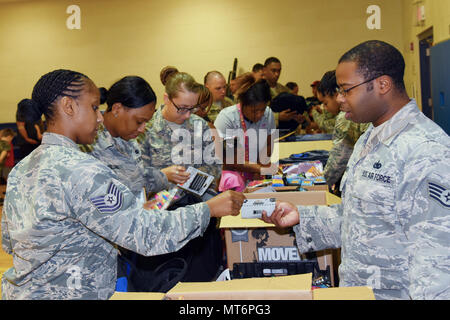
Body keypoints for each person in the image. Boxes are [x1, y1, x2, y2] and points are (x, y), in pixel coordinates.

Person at [1, 69, 245, 300]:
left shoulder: (22, 168)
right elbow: (145, 234)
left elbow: (8, 241)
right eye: (94, 107)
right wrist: (209, 209)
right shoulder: (82, 170)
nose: (99, 116)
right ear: (68, 106)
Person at [262, 40, 450, 300]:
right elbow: (362, 216)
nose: (339, 99)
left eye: (346, 90)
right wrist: (302, 217)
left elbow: (438, 264)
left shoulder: (425, 151)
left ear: (382, 85)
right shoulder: (370, 136)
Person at [79, 76, 189, 199]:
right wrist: (161, 176)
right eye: (139, 122)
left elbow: (136, 176)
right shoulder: (88, 143)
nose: (142, 129)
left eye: (146, 122)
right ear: (117, 109)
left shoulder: (128, 137)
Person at [214, 73, 277, 191]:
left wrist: (261, 168)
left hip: (256, 170)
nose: (259, 115)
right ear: (242, 104)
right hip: (231, 174)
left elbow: (269, 144)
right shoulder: (227, 118)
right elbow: (229, 159)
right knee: (233, 181)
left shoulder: (268, 114)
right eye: (254, 111)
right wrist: (258, 168)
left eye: (262, 109)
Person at [317, 70, 369, 194]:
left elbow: (338, 160)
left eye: (326, 103)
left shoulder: (345, 116)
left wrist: (320, 184)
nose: (325, 107)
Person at [263, 57, 306, 129]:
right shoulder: (256, 90)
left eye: (279, 71)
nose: (277, 74)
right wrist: (278, 117)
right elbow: (253, 114)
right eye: (273, 70)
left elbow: (304, 116)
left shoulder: (285, 90)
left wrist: (300, 118)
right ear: (264, 70)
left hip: (286, 132)